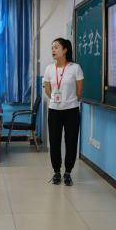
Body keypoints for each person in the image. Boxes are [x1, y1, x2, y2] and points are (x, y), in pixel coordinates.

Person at [43, 38, 84, 186]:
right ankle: (56, 172)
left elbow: (80, 90)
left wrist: (70, 100)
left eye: (56, 47)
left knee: (71, 141)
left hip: (72, 110)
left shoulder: (75, 68)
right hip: (54, 110)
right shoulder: (49, 68)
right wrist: (55, 98)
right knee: (54, 142)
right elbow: (47, 88)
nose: (53, 50)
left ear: (65, 49)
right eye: (52, 47)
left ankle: (67, 172)